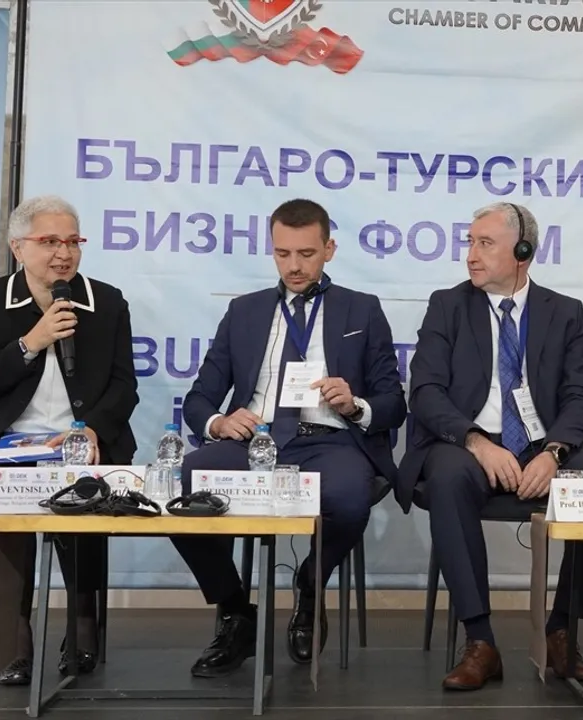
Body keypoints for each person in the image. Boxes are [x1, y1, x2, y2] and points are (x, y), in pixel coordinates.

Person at [169, 198, 406, 677]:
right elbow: (198, 399)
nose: (294, 266)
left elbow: (393, 403)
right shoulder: (244, 311)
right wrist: (219, 423)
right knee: (187, 483)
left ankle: (311, 585)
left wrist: (354, 404)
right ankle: (236, 610)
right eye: (283, 254)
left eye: (306, 253)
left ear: (329, 250)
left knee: (349, 499)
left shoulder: (362, 310)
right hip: (256, 441)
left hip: (329, 439)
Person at [395, 202, 583, 691]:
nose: (471, 255)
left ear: (522, 251)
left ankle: (562, 629)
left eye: (485, 244)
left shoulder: (564, 312)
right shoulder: (448, 305)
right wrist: (476, 442)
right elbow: (426, 391)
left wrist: (554, 452)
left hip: (541, 446)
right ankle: (481, 640)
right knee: (448, 476)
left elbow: (579, 394)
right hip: (467, 443)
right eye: (470, 242)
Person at [0, 195, 139, 684]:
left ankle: (82, 626)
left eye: (73, 241)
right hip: (9, 446)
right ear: (18, 247)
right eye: (50, 241)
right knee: (7, 527)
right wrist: (30, 343)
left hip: (81, 443)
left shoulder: (107, 302)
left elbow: (124, 385)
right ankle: (12, 638)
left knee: (84, 507)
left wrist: (92, 428)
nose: (64, 253)